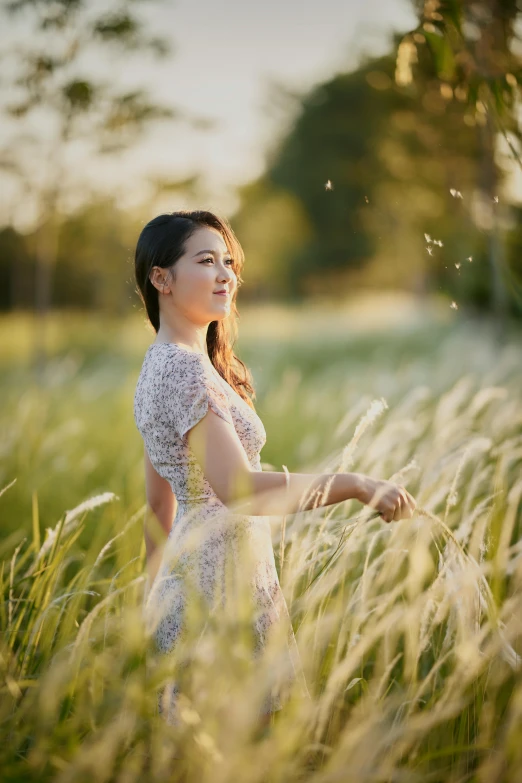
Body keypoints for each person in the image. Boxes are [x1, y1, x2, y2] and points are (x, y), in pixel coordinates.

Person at [133, 209, 416, 732]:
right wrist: (355, 484)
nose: (226, 275)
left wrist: (152, 610)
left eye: (229, 263)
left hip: (206, 581)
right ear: (161, 278)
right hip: (217, 587)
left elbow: (158, 506)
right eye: (206, 261)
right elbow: (239, 490)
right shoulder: (181, 369)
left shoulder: (163, 362)